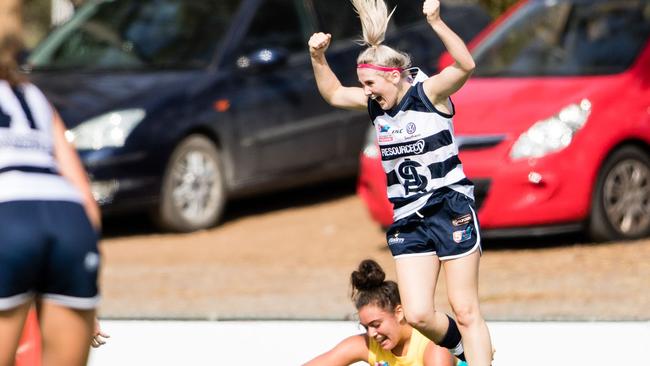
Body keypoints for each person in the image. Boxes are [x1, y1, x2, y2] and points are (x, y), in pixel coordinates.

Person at [308, 1, 493, 365]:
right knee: (420, 313)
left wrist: (436, 22)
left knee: (465, 308)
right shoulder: (378, 105)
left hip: (448, 206)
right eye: (362, 86)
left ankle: (478, 356)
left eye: (370, 84)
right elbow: (332, 93)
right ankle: (468, 351)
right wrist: (317, 57)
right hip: (408, 216)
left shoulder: (430, 94)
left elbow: (466, 65)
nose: (366, 92)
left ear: (394, 76)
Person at [0, 33, 104, 366]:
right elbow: (87, 202)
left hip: (9, 215)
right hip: (69, 222)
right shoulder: (33, 96)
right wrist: (82, 301)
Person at [304, 259, 461, 366]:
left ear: (399, 312)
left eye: (376, 324)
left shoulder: (433, 344)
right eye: (366, 327)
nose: (371, 333)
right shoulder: (368, 345)